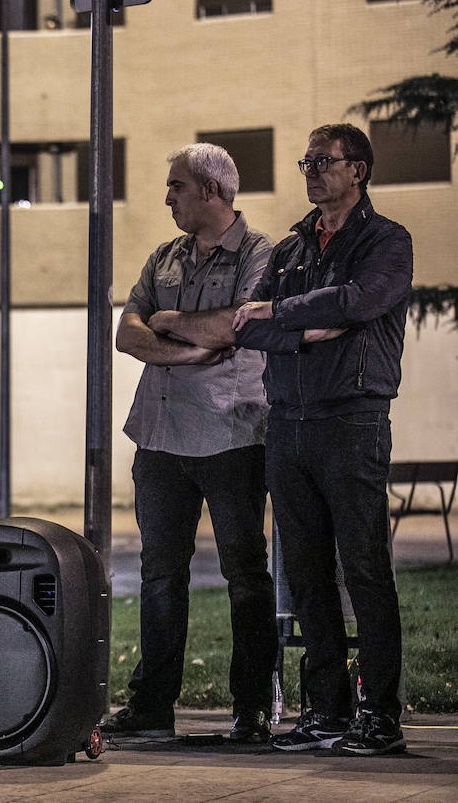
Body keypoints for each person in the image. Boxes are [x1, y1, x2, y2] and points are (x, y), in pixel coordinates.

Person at [233, 123, 412, 756]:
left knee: (364, 568)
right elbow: (243, 327)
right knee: (306, 575)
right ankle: (326, 710)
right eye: (306, 161)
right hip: (289, 423)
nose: (310, 171)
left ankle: (380, 713)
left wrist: (280, 315)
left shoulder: (386, 240)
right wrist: (303, 329)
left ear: (358, 170)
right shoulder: (289, 249)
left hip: (352, 419)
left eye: (323, 161)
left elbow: (361, 301)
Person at [98, 143, 278, 743]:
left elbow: (239, 325)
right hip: (159, 438)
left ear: (211, 191)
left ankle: (252, 708)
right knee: (160, 575)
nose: (167, 196)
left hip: (231, 435)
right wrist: (190, 347)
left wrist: (170, 321)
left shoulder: (261, 254)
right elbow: (126, 332)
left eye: (176, 185)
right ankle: (152, 705)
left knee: (246, 574)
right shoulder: (164, 257)